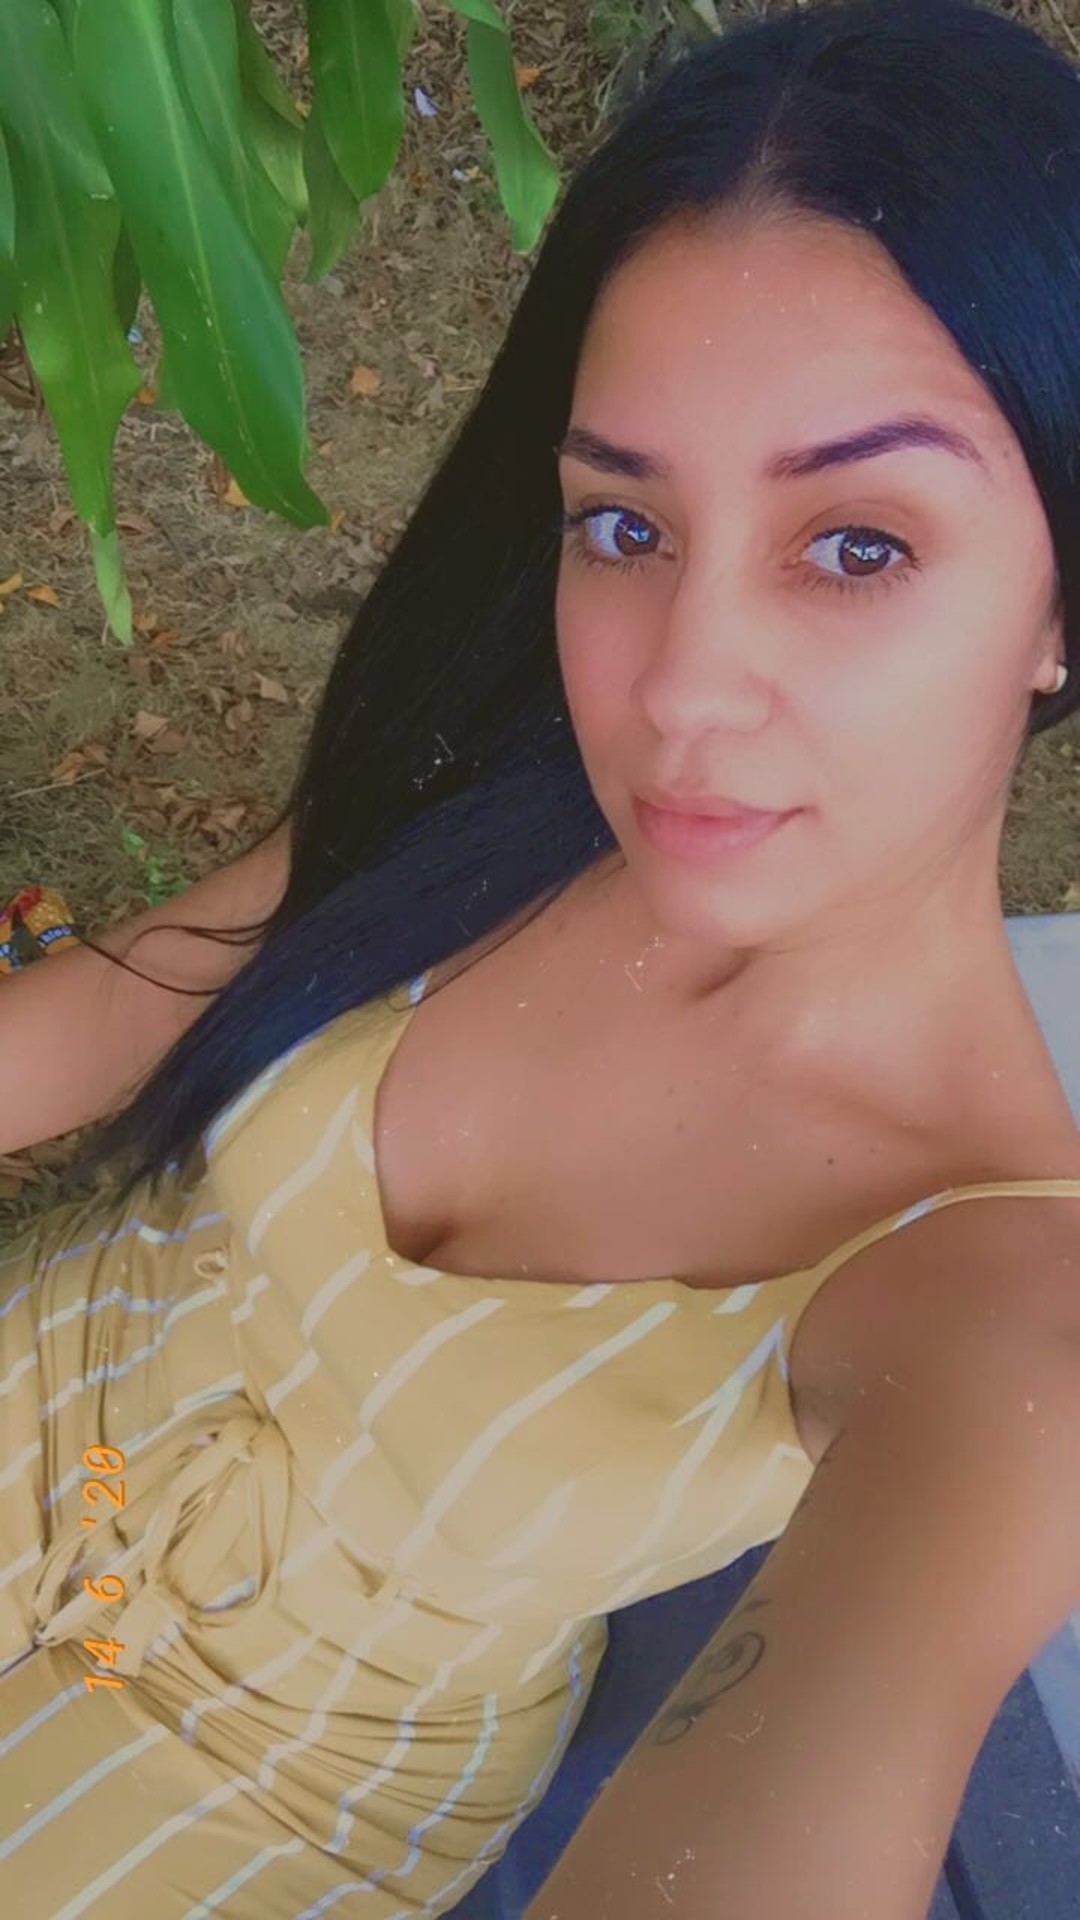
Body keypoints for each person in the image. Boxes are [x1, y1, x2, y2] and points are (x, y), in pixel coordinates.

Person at [3, 0, 1080, 1913]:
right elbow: (106, 1012)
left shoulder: (989, 1299)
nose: (680, 689)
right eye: (625, 523)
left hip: (251, 1805)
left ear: (1059, 602)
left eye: (857, 546)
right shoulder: (489, 796)